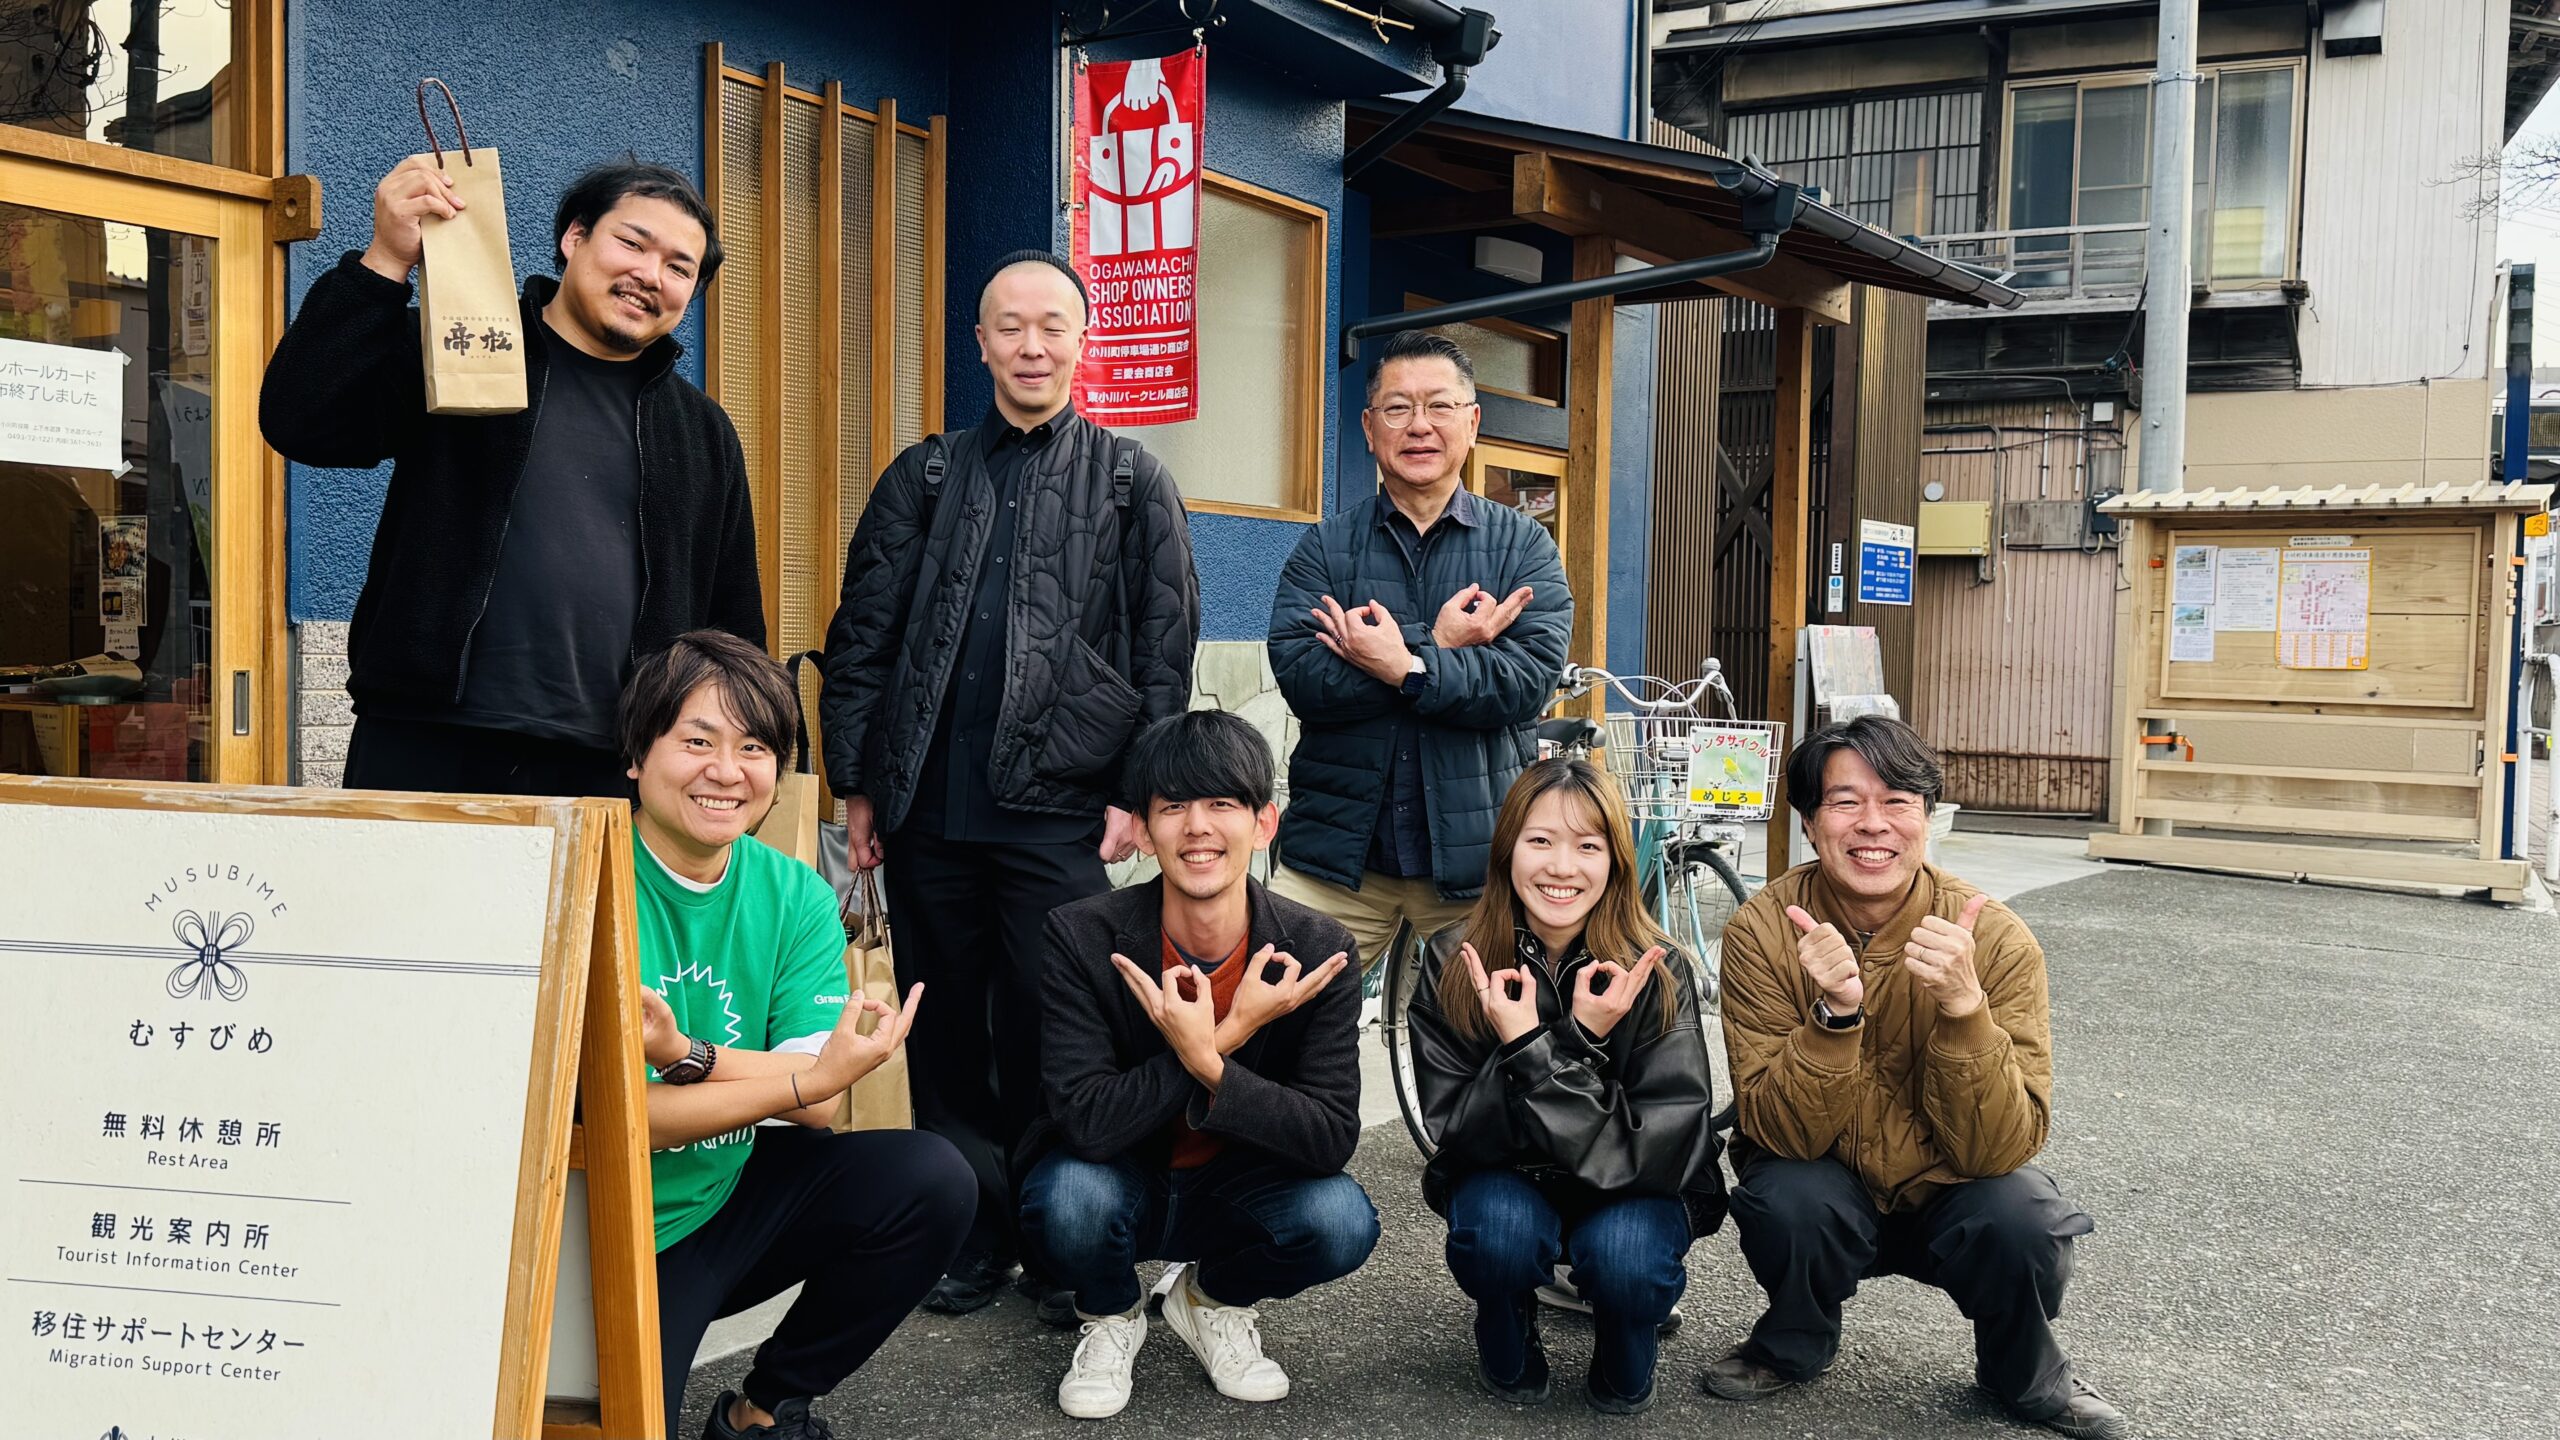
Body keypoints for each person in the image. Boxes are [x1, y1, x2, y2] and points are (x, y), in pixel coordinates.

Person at [817, 249, 1200, 1315]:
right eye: (1009, 326)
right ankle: (970, 1233)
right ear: (978, 342)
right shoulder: (925, 474)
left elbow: (1165, 647)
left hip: (1063, 807)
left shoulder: (1131, 481)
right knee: (941, 1030)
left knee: (1053, 1025)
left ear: (1084, 342)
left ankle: (1056, 1229)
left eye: (1052, 327)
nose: (1032, 345)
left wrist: (1144, 793)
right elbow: (863, 638)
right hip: (928, 808)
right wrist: (856, 786)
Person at [261, 157, 762, 798]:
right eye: (632, 243)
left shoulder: (702, 431)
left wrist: (731, 754)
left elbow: (732, 618)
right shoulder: (464, 348)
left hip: (618, 762)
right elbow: (301, 420)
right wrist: (385, 263)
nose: (649, 275)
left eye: (678, 267)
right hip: (428, 737)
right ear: (574, 237)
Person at [1704, 716, 2128, 1439]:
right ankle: (1794, 1342)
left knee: (2024, 1218)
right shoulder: (1764, 930)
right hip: (1826, 1175)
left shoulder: (1992, 937)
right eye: (1844, 802)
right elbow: (1775, 1129)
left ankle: (2023, 1369)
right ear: (1810, 823)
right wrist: (1834, 1019)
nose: (1874, 824)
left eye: (1898, 800)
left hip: (1953, 1187)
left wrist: (1965, 1010)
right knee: (1786, 1199)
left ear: (1930, 818)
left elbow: (2002, 1147)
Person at [622, 630, 974, 1440]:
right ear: (637, 755)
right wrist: (800, 1080)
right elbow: (611, 1123)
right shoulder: (584, 874)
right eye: (697, 741)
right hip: (603, 1217)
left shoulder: (796, 895)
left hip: (725, 1196)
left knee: (930, 1179)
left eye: (754, 747)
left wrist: (687, 1056)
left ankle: (764, 1410)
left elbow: (812, 1108)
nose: (726, 770)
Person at [1022, 709, 1378, 1418]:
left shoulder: (1317, 950)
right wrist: (1232, 1030)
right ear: (1146, 833)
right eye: (1174, 807)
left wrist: (1210, 1063)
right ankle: (1112, 1313)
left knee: (1341, 1221)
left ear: (1264, 824)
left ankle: (1211, 1297)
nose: (1198, 828)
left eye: (1223, 804)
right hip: (1120, 1173)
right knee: (1065, 1200)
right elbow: (1086, 1122)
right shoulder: (1082, 936)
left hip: (1239, 1185)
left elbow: (1330, 1138)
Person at [1407, 758, 1723, 1415]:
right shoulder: (1451, 958)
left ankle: (1624, 1340)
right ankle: (1507, 1321)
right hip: (1506, 1172)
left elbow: (1663, 1143)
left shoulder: (1655, 968)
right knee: (1497, 1235)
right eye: (1540, 841)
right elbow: (1458, 1130)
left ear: (1615, 859)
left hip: (1638, 1183)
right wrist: (1559, 1043)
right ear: (1508, 850)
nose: (1561, 867)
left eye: (1587, 846)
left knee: (1628, 1261)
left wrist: (1542, 1047)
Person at [1264, 329, 1572, 977]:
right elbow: (1302, 677)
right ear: (1370, 427)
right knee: (1276, 1031)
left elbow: (1526, 682)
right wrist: (1443, 650)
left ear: (1473, 422)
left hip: (1477, 861)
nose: (1419, 426)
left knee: (1489, 1045)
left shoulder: (1522, 547)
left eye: (1439, 406)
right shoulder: (1326, 548)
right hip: (1338, 860)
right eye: (1398, 408)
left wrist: (1404, 665)